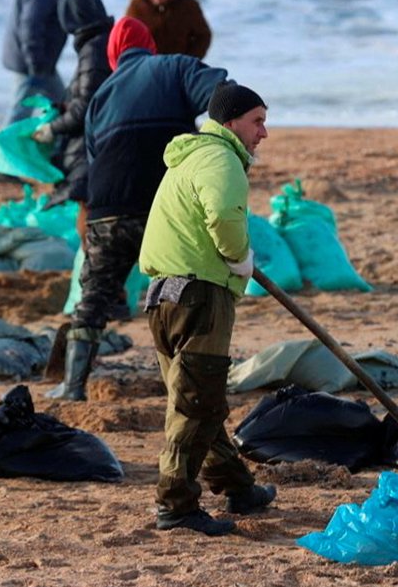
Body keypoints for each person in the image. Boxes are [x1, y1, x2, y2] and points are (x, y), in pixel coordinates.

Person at [44, 17, 227, 402]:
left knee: (92, 297)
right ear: (150, 46)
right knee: (181, 288)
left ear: (112, 56)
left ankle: (74, 385)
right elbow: (223, 94)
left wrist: (85, 210)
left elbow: (91, 162)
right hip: (162, 210)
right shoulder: (174, 67)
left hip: (105, 211)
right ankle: (188, 378)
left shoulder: (100, 98)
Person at [138, 81, 275, 535]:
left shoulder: (190, 158)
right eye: (257, 121)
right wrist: (239, 257)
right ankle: (175, 505)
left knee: (200, 396)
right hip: (200, 294)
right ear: (231, 122)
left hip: (163, 293)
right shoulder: (222, 159)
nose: (263, 133)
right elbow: (222, 215)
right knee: (196, 403)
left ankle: (238, 487)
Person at [1, 0, 95, 125]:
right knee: (20, 114)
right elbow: (30, 25)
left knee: (61, 105)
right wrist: (35, 67)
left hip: (41, 63)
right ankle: (2, 154)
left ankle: (56, 150)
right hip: (30, 63)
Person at [30, 0, 113, 206]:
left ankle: (85, 243)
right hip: (105, 140)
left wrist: (52, 128)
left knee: (84, 205)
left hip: (92, 148)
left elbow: (86, 106)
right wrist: (63, 107)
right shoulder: (104, 41)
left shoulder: (93, 51)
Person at [125, 0, 212, 59]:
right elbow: (126, 36)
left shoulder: (188, 5)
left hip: (179, 66)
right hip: (146, 64)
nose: (157, 0)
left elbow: (203, 35)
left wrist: (190, 60)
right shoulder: (137, 5)